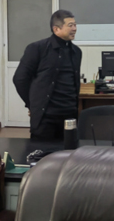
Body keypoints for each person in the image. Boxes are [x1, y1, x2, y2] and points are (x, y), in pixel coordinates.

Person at [13, 10, 81, 141]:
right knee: (42, 151)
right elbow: (20, 79)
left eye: (75, 25)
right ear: (56, 29)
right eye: (70, 25)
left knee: (68, 151)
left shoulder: (76, 52)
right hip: (46, 117)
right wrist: (32, 104)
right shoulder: (37, 48)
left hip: (69, 115)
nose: (74, 29)